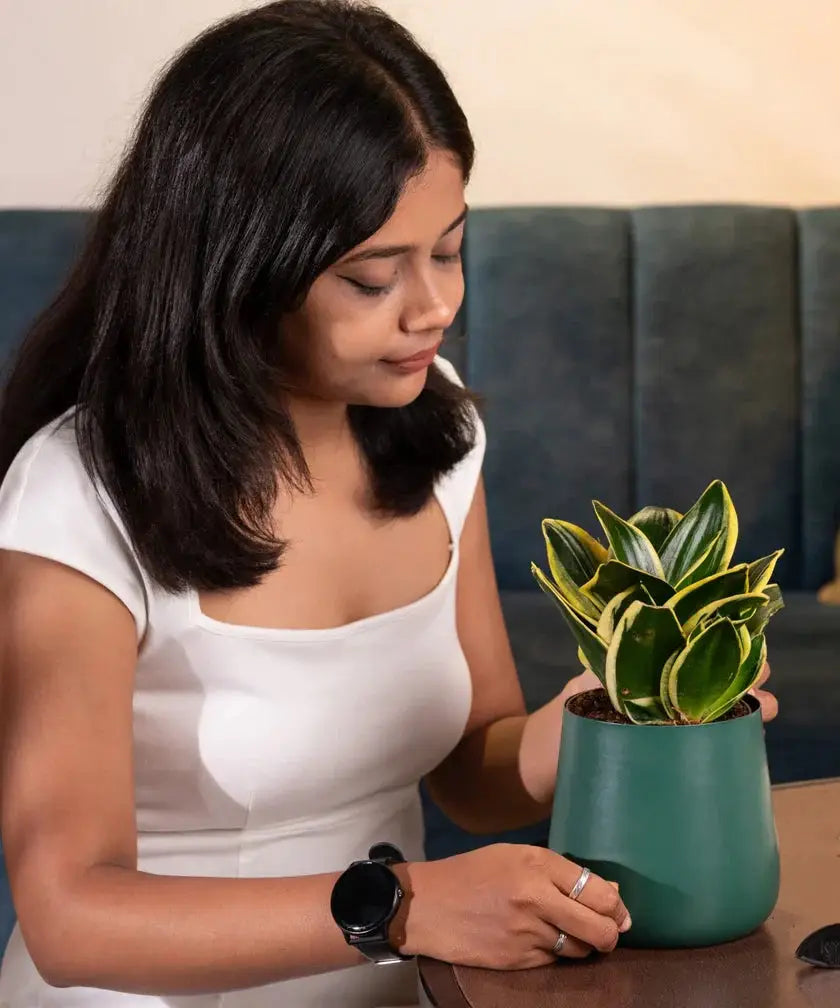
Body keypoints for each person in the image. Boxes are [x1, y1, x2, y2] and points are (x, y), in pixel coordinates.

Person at [0, 2, 778, 1006]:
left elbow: (473, 767)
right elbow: (72, 918)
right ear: (237, 271)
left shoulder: (437, 427)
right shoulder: (80, 497)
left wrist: (627, 712)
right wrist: (401, 907)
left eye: (448, 251)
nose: (433, 307)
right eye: (372, 276)